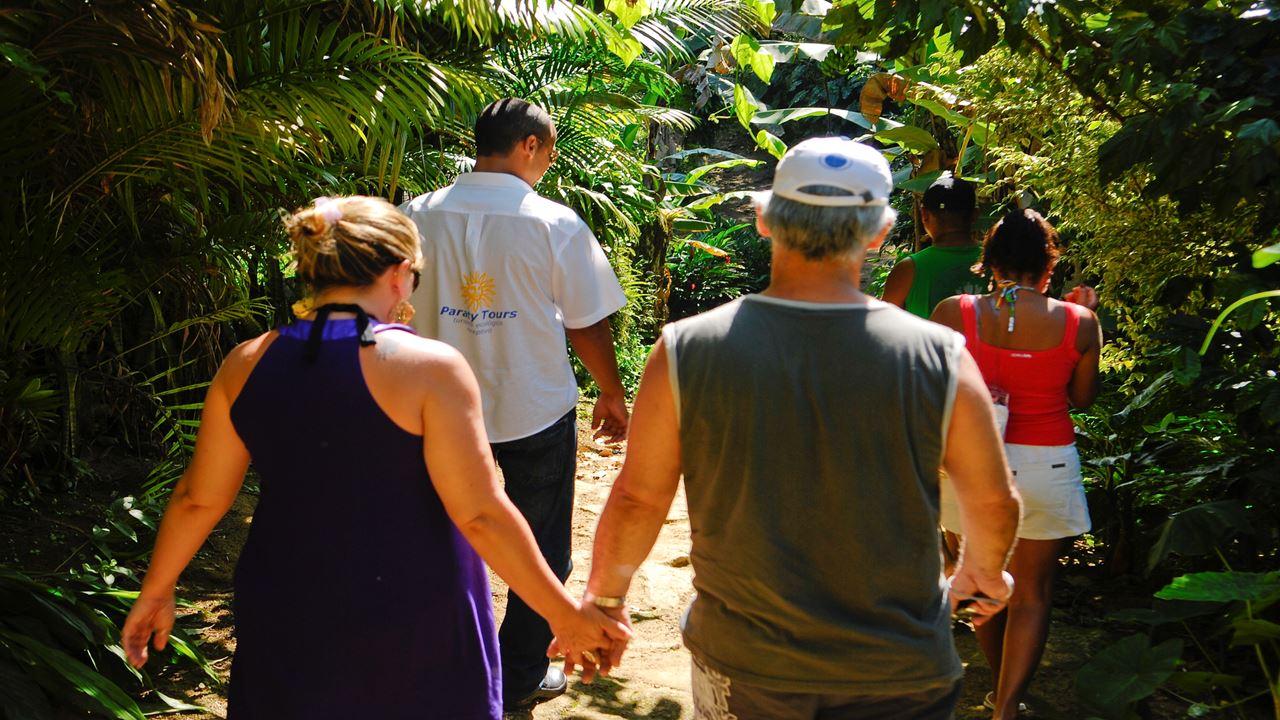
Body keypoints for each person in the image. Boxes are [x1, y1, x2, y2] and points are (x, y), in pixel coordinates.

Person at [554, 137, 1023, 720]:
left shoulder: (687, 350)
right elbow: (994, 499)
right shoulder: (939, 356)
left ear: (763, 219)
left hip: (747, 668)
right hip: (900, 672)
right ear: (880, 232)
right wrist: (982, 572)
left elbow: (637, 498)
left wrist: (604, 600)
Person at [121, 196, 629, 720]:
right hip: (413, 608)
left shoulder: (245, 363)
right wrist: (563, 614)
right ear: (400, 273)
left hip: (285, 600)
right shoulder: (430, 368)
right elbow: (479, 513)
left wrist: (156, 590)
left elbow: (197, 498)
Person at [400, 98, 630, 712]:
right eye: (549, 150)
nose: (548, 162)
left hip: (433, 414)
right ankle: (522, 673)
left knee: (433, 537)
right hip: (533, 406)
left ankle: (440, 662)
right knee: (542, 543)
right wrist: (611, 391)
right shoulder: (554, 223)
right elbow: (585, 321)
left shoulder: (413, 216)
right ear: (529, 145)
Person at [931, 209, 1102, 719]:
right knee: (1033, 594)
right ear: (1048, 265)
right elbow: (1083, 398)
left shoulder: (953, 312)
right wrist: (1083, 321)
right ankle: (1008, 707)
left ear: (989, 260)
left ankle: (995, 686)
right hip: (1047, 465)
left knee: (977, 577)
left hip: (971, 467)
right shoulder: (1080, 322)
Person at [881, 172, 986, 317]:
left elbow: (884, 324)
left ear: (924, 215)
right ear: (975, 215)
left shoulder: (908, 270)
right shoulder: (997, 262)